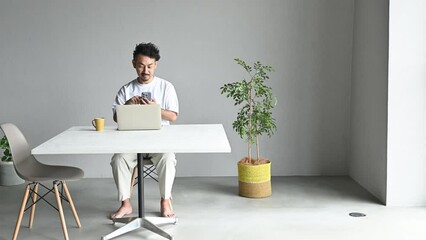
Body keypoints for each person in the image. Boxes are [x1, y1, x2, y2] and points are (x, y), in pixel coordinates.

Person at [110, 42, 179, 219]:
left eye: (149, 66)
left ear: (155, 64)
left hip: (159, 142)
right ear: (134, 64)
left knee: (168, 157)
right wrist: (127, 105)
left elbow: (172, 116)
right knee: (118, 159)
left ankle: (165, 200)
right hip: (131, 144)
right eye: (141, 65)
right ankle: (125, 204)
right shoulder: (126, 90)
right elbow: (116, 118)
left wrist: (156, 109)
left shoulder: (166, 87)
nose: (145, 70)